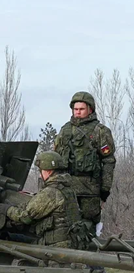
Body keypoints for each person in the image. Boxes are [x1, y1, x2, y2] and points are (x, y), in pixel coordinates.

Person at [3, 151, 111, 273]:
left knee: (14, 242)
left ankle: (87, 269)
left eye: (41, 170)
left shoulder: (51, 192)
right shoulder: (67, 187)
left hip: (55, 243)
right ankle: (94, 268)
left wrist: (6, 210)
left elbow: (25, 216)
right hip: (71, 239)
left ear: (48, 171)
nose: (40, 173)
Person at [53, 91, 116, 238]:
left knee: (88, 229)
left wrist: (105, 190)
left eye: (81, 109)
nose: (78, 112)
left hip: (90, 191)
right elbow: (55, 158)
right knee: (64, 228)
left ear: (90, 109)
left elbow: (108, 161)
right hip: (66, 188)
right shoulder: (64, 131)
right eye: (76, 109)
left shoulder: (100, 131)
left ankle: (90, 260)